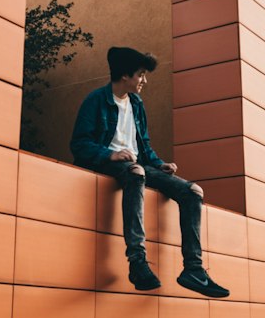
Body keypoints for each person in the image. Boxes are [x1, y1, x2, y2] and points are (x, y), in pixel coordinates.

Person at [71, 46, 230, 297]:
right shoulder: (96, 100)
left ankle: (194, 269)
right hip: (110, 164)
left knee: (193, 191)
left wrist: (159, 164)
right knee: (136, 172)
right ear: (125, 75)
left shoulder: (136, 103)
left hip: (138, 165)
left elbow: (143, 145)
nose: (144, 80)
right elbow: (79, 144)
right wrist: (109, 154)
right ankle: (137, 262)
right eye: (141, 74)